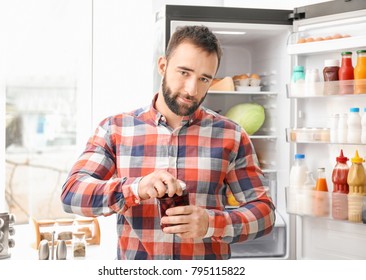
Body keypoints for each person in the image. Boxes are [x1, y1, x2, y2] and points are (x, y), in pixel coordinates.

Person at [61, 25, 275, 260]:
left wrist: (212, 224)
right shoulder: (116, 129)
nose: (192, 89)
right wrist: (136, 188)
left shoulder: (231, 135)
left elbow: (265, 213)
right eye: (184, 72)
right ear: (162, 66)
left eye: (204, 79)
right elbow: (72, 194)